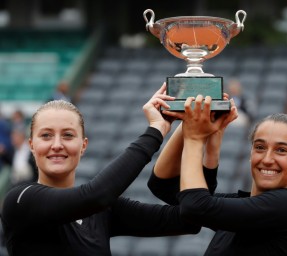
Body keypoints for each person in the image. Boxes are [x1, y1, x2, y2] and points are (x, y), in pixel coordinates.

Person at [0, 84, 204, 256]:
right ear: (31, 145)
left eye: (68, 135)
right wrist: (155, 131)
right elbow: (96, 195)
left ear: (83, 145)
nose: (56, 144)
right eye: (45, 135)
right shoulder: (20, 199)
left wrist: (193, 131)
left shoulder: (102, 211)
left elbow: (189, 220)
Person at [149, 95, 287, 256]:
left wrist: (194, 137)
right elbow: (164, 186)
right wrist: (191, 118)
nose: (267, 159)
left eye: (281, 150)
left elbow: (196, 206)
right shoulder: (244, 208)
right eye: (260, 147)